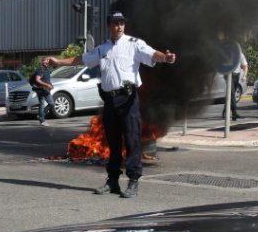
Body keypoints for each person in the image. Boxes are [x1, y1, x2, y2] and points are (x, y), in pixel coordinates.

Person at [43, 10, 176, 198]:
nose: (119, 26)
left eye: (121, 23)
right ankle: (112, 181)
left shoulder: (134, 44)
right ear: (109, 26)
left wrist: (165, 58)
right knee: (113, 142)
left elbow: (153, 54)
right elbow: (81, 59)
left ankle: (133, 181)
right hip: (110, 101)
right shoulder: (102, 48)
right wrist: (58, 62)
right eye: (115, 23)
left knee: (131, 141)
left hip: (128, 99)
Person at [219, 40, 247, 121]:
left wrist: (244, 75)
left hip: (236, 75)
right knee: (231, 93)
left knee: (231, 94)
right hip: (228, 75)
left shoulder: (241, 55)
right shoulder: (227, 54)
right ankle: (234, 113)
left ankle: (225, 111)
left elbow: (245, 66)